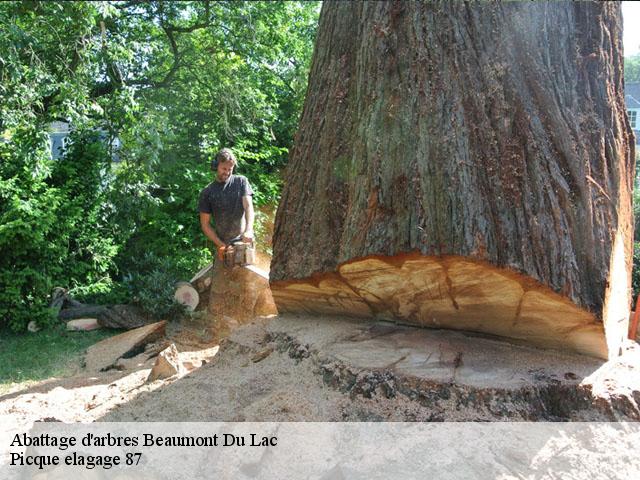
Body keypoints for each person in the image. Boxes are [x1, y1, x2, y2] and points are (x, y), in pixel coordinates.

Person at [198, 148, 254, 261]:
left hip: (243, 242)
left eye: (230, 169)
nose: (227, 172)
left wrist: (249, 230)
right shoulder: (207, 192)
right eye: (224, 168)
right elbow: (205, 225)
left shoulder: (241, 182)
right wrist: (221, 245)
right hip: (222, 245)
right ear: (216, 166)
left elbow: (248, 206)